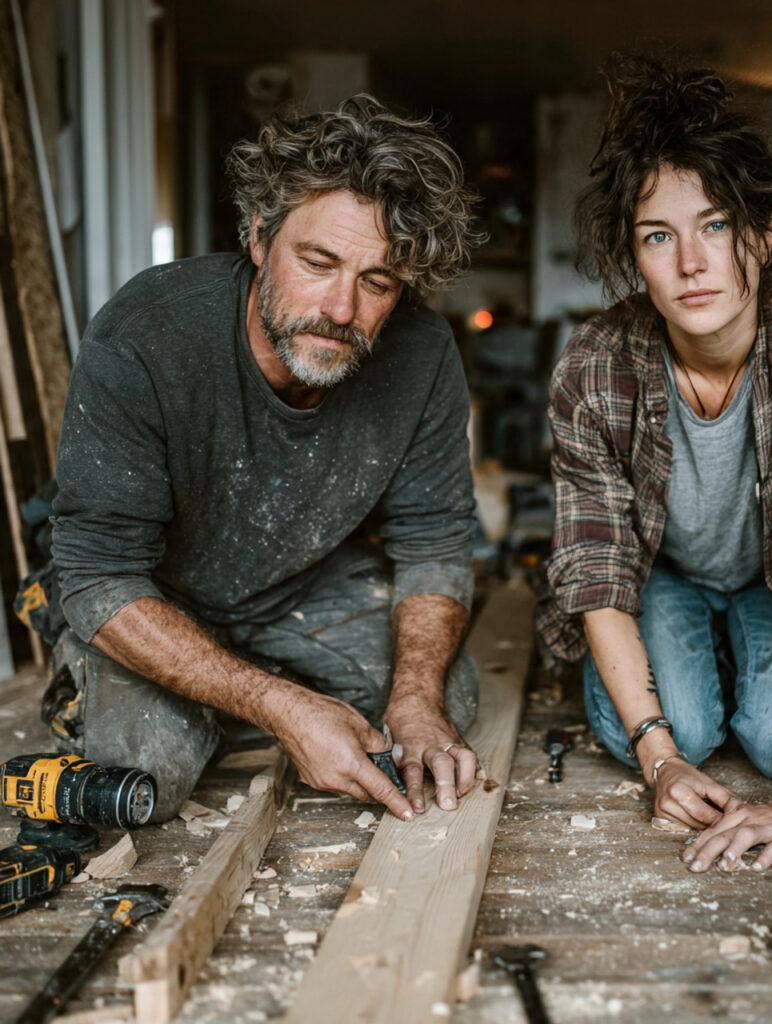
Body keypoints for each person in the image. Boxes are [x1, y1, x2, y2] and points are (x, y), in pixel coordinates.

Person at [43, 96, 485, 823]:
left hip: (297, 590)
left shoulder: (423, 353)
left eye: (377, 282)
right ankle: (213, 686)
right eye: (318, 262)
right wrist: (276, 703)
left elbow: (435, 540)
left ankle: (256, 693)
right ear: (256, 237)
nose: (342, 309)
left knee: (441, 703)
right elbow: (96, 572)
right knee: (142, 774)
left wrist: (413, 701)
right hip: (158, 591)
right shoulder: (144, 334)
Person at [535, 55, 772, 872]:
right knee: (690, 732)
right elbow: (599, 576)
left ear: (763, 229)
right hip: (661, 573)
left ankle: (740, 642)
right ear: (633, 256)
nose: (691, 264)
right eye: (658, 237)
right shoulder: (595, 363)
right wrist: (660, 759)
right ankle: (695, 665)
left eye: (715, 225)